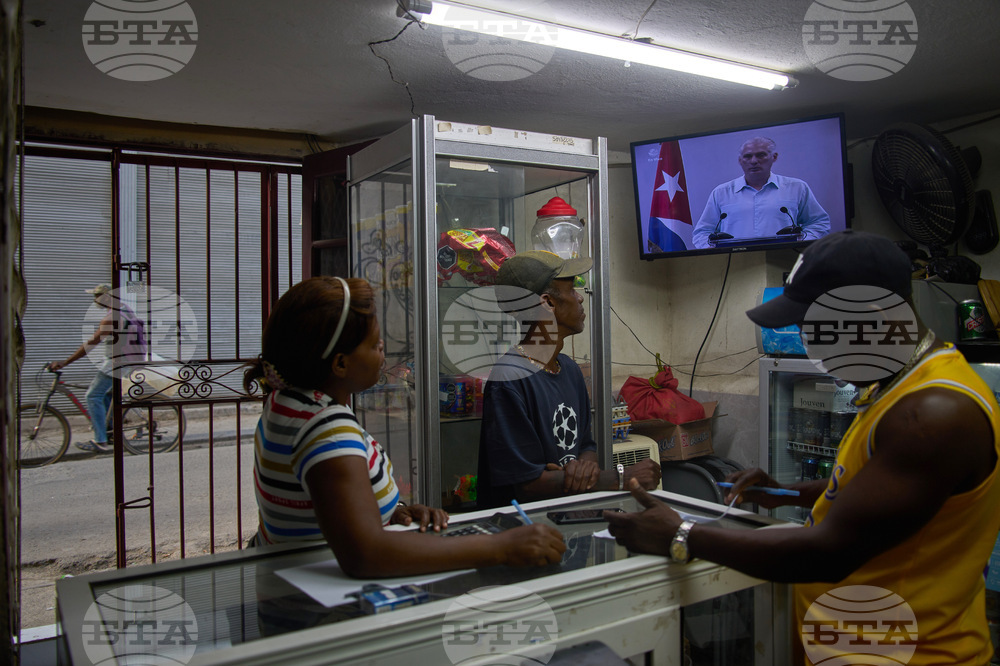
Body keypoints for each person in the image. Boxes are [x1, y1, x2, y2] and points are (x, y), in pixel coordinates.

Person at [606, 230, 1000, 665]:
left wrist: (682, 535)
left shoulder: (933, 413)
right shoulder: (897, 389)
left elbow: (830, 553)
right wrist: (784, 492)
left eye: (813, 326)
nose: (808, 341)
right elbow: (869, 493)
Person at [243, 275, 565, 578]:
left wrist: (391, 512)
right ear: (340, 363)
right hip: (324, 601)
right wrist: (498, 547)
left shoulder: (285, 401)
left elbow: (324, 508)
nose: (383, 346)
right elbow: (365, 553)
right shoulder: (325, 427)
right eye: (373, 344)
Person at [477, 251, 661, 509]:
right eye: (572, 289)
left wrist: (573, 472)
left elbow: (586, 446)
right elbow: (528, 484)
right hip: (524, 534)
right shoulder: (509, 378)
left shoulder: (570, 370)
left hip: (567, 521)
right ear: (548, 303)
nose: (579, 298)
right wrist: (621, 478)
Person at [50, 283, 147, 453]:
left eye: (97, 296)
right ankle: (111, 432)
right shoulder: (125, 309)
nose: (94, 299)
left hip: (118, 362)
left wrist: (66, 362)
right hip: (129, 360)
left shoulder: (111, 318)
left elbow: (91, 343)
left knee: (93, 395)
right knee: (106, 396)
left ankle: (100, 440)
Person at [691, 136, 830, 249]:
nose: (754, 161)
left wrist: (801, 242)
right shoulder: (721, 193)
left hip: (785, 259)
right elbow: (702, 232)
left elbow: (819, 223)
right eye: (747, 156)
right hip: (733, 264)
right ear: (740, 160)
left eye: (761, 155)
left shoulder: (797, 187)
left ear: (774, 157)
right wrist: (711, 250)